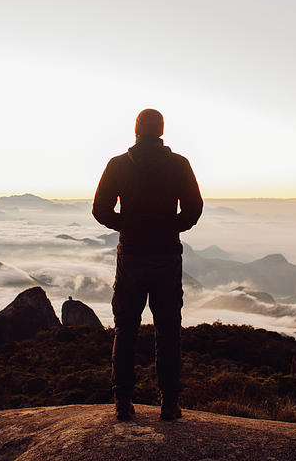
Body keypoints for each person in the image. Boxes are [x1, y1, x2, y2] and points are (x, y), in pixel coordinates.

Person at [92, 108, 203, 421]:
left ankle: (123, 403)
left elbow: (100, 209)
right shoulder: (179, 164)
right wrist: (171, 227)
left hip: (131, 257)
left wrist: (126, 226)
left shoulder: (117, 165)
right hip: (167, 256)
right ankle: (169, 403)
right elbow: (194, 207)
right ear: (162, 130)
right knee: (168, 331)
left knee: (125, 329)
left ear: (136, 130)